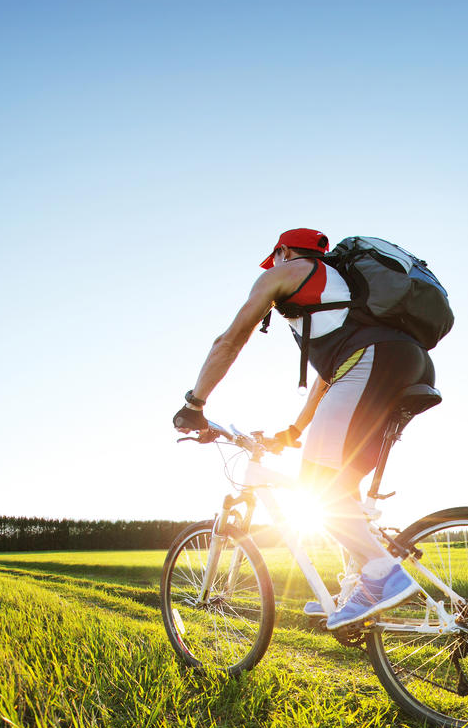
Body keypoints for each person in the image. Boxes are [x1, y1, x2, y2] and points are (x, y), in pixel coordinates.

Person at [172, 228, 436, 629]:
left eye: (275, 259)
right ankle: (356, 585)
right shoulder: (343, 292)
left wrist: (195, 404)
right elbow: (330, 379)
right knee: (341, 489)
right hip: (406, 362)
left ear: (283, 252)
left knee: (316, 486)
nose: (273, 267)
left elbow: (230, 339)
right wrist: (294, 432)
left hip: (370, 363)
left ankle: (382, 573)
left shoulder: (288, 272)